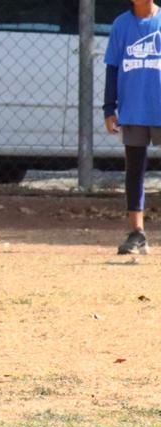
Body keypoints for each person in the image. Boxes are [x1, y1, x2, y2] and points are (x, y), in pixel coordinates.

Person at [104, 0, 161, 254]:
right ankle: (137, 233)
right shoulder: (121, 25)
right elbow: (113, 67)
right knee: (134, 170)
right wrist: (109, 108)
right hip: (133, 108)